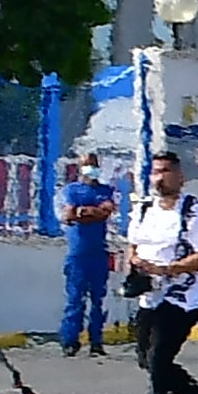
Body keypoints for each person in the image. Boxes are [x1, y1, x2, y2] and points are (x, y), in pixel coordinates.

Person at [118, 148, 198, 394]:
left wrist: (168, 270)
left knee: (159, 360)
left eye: (166, 171)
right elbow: (134, 245)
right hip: (149, 295)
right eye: (155, 172)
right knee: (145, 358)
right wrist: (137, 266)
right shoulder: (143, 209)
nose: (160, 178)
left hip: (182, 297)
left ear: (179, 176)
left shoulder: (193, 210)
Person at [58, 153, 119, 359]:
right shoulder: (72, 190)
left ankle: (96, 341)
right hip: (77, 254)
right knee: (75, 299)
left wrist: (84, 213)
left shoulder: (104, 190)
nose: (90, 169)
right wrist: (85, 213)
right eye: (86, 165)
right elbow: (68, 215)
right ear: (79, 167)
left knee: (98, 300)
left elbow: (106, 211)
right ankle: (70, 340)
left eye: (93, 165)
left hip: (98, 253)